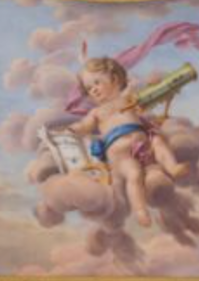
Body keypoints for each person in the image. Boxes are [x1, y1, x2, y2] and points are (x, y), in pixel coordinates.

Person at [69, 56, 187, 228]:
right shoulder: (96, 112)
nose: (93, 90)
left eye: (97, 83)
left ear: (115, 79)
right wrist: (74, 129)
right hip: (119, 153)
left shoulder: (127, 98)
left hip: (142, 143)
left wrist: (155, 83)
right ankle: (140, 210)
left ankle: (172, 167)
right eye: (89, 88)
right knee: (134, 174)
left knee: (158, 142)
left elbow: (147, 91)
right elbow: (84, 126)